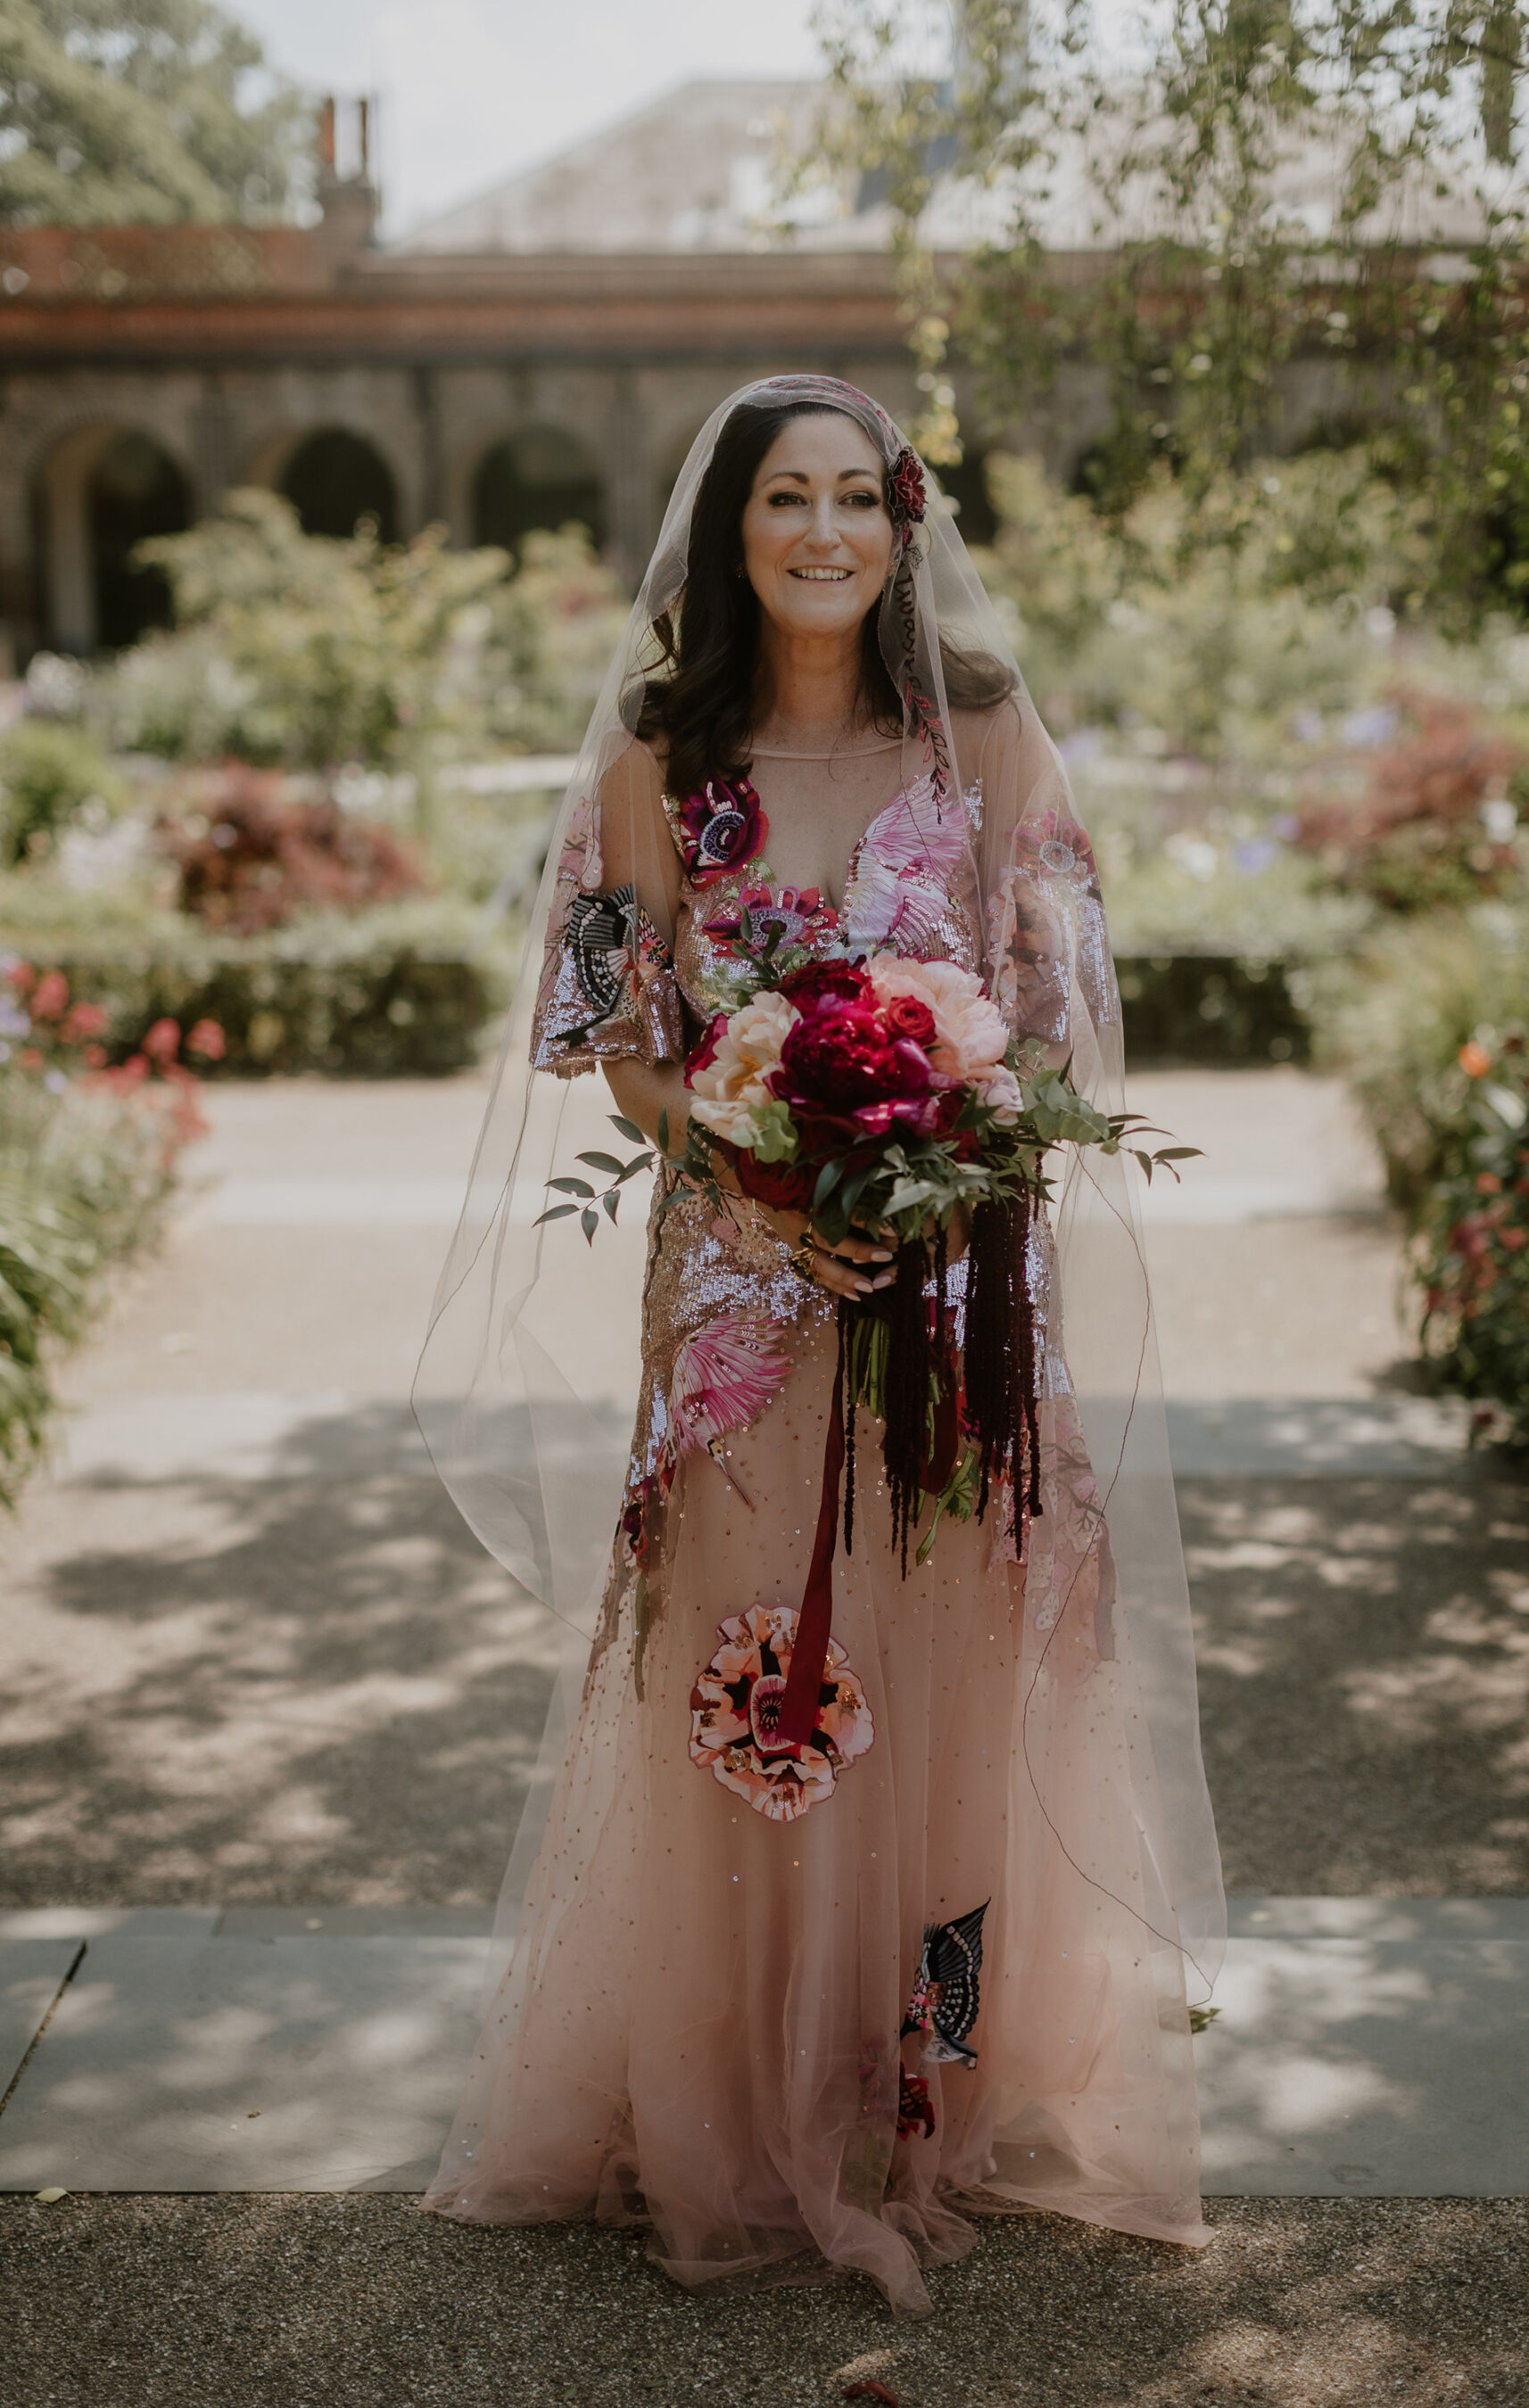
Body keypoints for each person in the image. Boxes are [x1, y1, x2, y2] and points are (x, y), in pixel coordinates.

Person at [416, 375, 1223, 2314]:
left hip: (952, 1289)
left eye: (860, 497)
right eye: (788, 498)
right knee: (747, 1676)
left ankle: (925, 2075)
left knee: (943, 1679)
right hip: (737, 1303)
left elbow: (1060, 987)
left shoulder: (988, 726)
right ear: (733, 529)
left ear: (904, 520)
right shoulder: (650, 755)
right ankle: (730, 2081)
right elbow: (604, 1035)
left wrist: (942, 1165)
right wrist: (764, 1179)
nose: (826, 532)